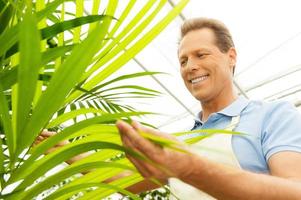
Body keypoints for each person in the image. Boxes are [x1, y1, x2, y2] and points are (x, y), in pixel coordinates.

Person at [115, 17, 301, 199]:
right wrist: (84, 146)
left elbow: (295, 192)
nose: (190, 66)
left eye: (201, 55)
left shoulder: (272, 115)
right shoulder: (182, 142)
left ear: (231, 57)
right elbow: (119, 181)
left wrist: (189, 167)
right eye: (183, 61)